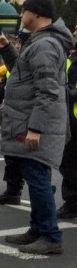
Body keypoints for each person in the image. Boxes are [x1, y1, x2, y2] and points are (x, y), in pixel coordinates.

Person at [0, 0, 72, 255]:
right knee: (34, 176)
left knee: (38, 179)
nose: (21, 15)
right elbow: (23, 72)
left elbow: (48, 91)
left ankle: (50, 236)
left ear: (37, 14)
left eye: (24, 10)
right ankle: (38, 229)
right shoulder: (39, 43)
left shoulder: (45, 45)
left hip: (37, 125)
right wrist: (6, 49)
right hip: (31, 121)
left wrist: (36, 128)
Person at [57, 27, 77, 219]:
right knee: (68, 163)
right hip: (71, 118)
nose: (75, 33)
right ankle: (72, 202)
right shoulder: (72, 57)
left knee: (70, 162)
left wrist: (70, 93)